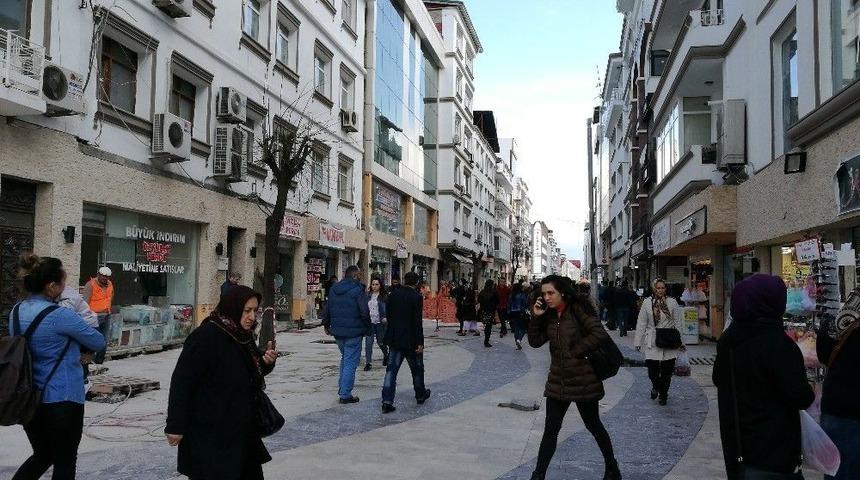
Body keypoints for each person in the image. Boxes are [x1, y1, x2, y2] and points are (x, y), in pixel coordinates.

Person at [165, 285, 278, 480]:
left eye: (255, 311)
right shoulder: (206, 336)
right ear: (233, 307)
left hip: (242, 431)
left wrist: (265, 362)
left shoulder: (242, 335)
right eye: (247, 310)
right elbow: (182, 382)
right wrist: (175, 425)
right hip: (210, 431)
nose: (252, 317)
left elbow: (250, 372)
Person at [10, 254, 105, 480]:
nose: (65, 287)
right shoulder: (61, 315)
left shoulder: (16, 312)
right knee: (65, 460)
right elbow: (98, 341)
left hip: (30, 398)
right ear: (51, 286)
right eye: (63, 282)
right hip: (63, 398)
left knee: (42, 454)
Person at [713, 274, 814, 479]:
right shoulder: (779, 345)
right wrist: (811, 387)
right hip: (774, 451)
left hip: (738, 449)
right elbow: (801, 397)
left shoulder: (728, 340)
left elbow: (718, 379)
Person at [528, 275, 620, 480]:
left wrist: (577, 351)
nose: (547, 297)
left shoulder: (578, 309)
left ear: (562, 292)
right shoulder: (549, 314)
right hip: (557, 381)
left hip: (583, 380)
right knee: (550, 431)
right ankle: (538, 476)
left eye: (551, 293)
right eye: (544, 294)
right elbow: (535, 342)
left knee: (593, 425)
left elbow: (599, 334)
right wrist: (536, 317)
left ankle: (612, 468)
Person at [817, 300, 860, 480]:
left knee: (836, 470)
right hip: (850, 410)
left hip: (835, 406)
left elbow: (824, 353)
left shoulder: (846, 314)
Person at [380, 272, 431, 413]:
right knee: (417, 369)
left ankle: (387, 401)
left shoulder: (393, 295)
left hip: (395, 338)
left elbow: (388, 315)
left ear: (404, 280)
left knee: (391, 371)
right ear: (416, 283)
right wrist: (420, 342)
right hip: (411, 339)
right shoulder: (416, 297)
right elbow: (417, 321)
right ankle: (420, 394)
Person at [321, 265, 371, 404]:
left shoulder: (334, 289)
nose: (360, 277)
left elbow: (328, 308)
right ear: (355, 276)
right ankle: (345, 394)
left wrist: (326, 324)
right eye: (359, 275)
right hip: (354, 332)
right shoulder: (358, 290)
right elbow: (364, 312)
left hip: (338, 332)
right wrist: (368, 328)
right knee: (350, 362)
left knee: (345, 358)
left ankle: (342, 388)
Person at [634, 278, 685, 405]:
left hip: (669, 340)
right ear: (654, 289)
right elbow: (641, 323)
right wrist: (637, 341)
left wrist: (682, 341)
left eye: (662, 288)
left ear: (665, 289)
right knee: (653, 371)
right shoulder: (647, 302)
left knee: (667, 372)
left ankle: (663, 395)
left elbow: (678, 323)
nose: (660, 290)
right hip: (652, 340)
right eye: (658, 288)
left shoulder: (672, 302)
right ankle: (656, 386)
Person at [58, 286, 99, 386]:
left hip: (87, 325)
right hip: (84, 324)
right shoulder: (61, 292)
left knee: (82, 359)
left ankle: (83, 383)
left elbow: (65, 316)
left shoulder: (67, 296)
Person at [82, 266, 113, 365]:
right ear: (98, 274)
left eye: (107, 276)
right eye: (103, 276)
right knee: (92, 339)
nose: (105, 278)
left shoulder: (110, 284)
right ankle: (88, 361)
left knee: (104, 340)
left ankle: (99, 363)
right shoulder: (90, 285)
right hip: (94, 316)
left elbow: (110, 296)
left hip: (106, 315)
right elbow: (85, 302)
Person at [363, 276, 388, 371]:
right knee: (368, 343)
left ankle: (386, 355)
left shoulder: (384, 296)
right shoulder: (367, 295)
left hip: (380, 322)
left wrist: (386, 317)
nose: (374, 286)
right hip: (370, 322)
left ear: (380, 285)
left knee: (380, 342)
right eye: (373, 284)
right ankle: (368, 363)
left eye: (376, 284)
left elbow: (389, 308)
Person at [508, 281, 530, 350]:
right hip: (521, 312)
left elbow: (509, 304)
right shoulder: (522, 295)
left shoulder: (511, 295)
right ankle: (519, 339)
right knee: (523, 328)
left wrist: (509, 312)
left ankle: (516, 340)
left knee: (516, 327)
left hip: (513, 313)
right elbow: (526, 303)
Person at [478, 280, 499, 348]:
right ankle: (486, 340)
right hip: (490, 311)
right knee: (489, 326)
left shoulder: (482, 292)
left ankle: (486, 339)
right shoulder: (494, 292)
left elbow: (479, 300)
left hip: (484, 311)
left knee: (486, 324)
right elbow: (497, 301)